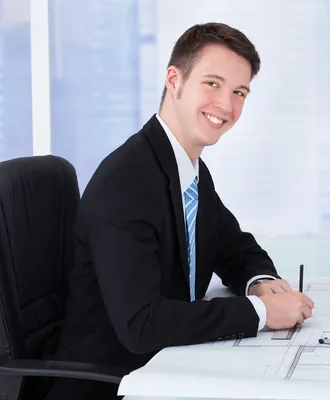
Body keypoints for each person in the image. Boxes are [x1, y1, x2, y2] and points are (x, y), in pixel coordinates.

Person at [44, 22, 314, 400]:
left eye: (239, 92)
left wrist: (259, 280)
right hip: (114, 382)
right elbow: (142, 324)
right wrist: (262, 313)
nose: (227, 105)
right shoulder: (127, 181)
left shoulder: (187, 170)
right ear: (174, 80)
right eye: (213, 83)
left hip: (168, 366)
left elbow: (234, 247)